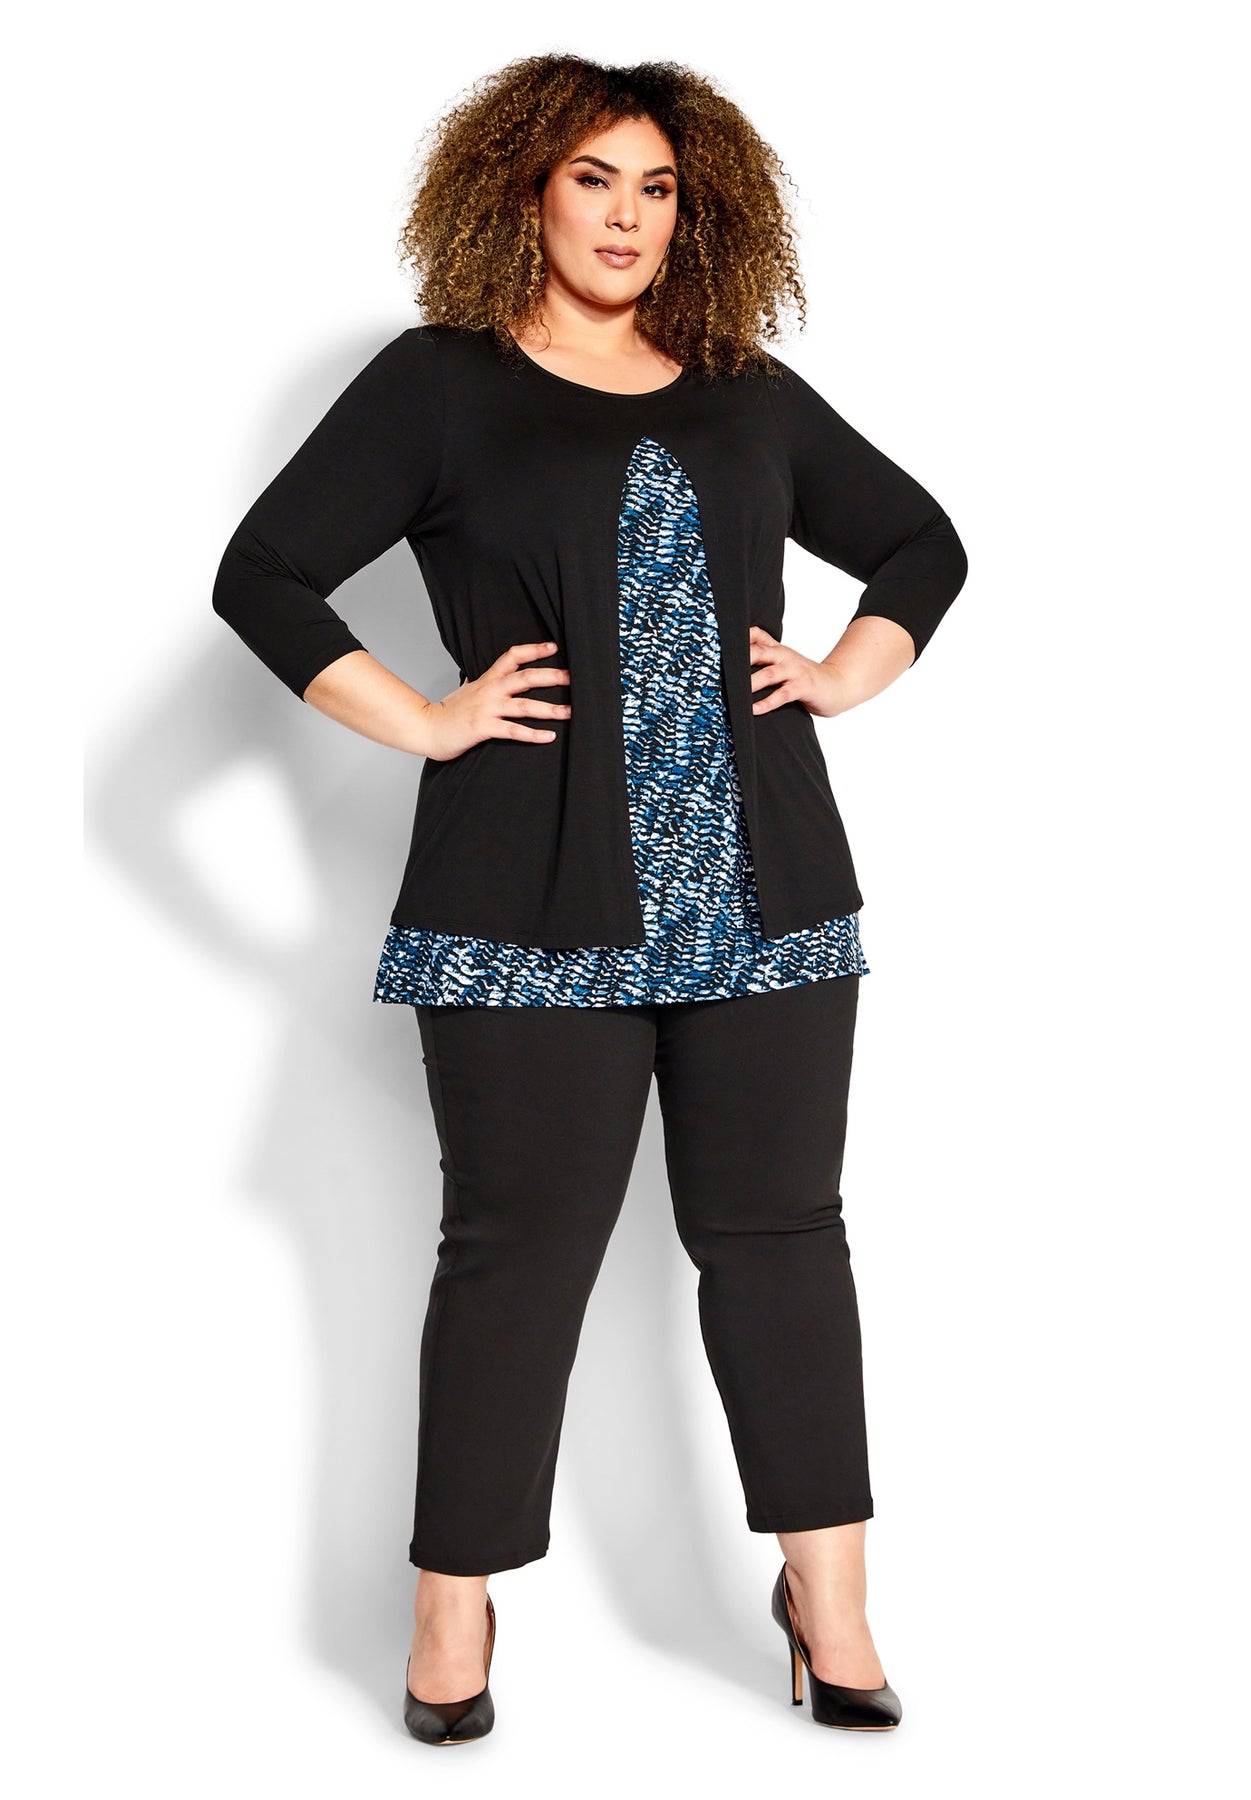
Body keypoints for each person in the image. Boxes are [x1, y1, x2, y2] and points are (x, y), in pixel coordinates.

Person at [212, 53, 968, 1747]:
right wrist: (424, 718)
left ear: (699, 213)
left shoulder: (747, 394)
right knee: (516, 1254)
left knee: (781, 1242)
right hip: (519, 910)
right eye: (592, 181)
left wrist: (845, 671)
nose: (627, 218)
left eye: (658, 189)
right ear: (523, 194)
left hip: (769, 908)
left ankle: (830, 1601)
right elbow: (262, 573)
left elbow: (922, 542)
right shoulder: (440, 386)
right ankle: (452, 1602)